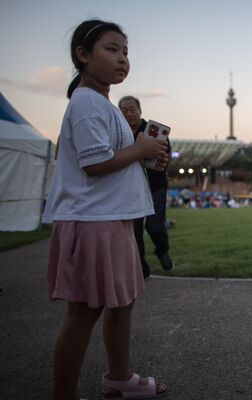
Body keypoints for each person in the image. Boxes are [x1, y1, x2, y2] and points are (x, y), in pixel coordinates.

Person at [41, 19, 168, 399]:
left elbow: (115, 157)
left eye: (125, 52)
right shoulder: (84, 103)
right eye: (112, 49)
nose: (122, 59)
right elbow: (94, 163)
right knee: (84, 313)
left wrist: (145, 157)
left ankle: (119, 377)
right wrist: (140, 149)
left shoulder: (103, 104)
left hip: (112, 218)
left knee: (122, 302)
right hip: (90, 220)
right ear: (83, 55)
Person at [119, 95, 174, 278]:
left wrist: (143, 157)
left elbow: (162, 156)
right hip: (131, 188)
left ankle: (162, 250)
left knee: (155, 227)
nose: (128, 114)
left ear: (140, 111)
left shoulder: (153, 130)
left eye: (132, 110)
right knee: (134, 231)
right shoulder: (120, 133)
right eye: (124, 111)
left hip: (155, 185)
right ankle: (141, 268)